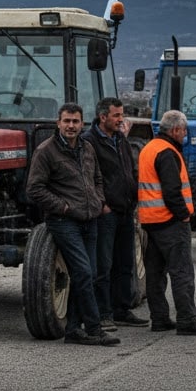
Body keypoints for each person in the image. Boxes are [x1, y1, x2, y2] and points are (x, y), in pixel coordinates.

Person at [26, 103, 120, 346]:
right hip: (64, 221)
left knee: (90, 273)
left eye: (75, 122)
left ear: (82, 124)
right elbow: (35, 189)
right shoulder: (46, 151)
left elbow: (97, 178)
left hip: (90, 220)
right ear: (58, 123)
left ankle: (73, 330)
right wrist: (64, 207)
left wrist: (99, 200)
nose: (71, 126)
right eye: (66, 121)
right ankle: (94, 328)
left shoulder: (87, 148)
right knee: (83, 272)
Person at [137, 111, 196, 336]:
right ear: (175, 130)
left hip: (151, 221)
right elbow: (172, 191)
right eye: (183, 131)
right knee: (182, 273)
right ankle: (187, 320)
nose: (185, 135)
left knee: (155, 274)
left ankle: (160, 318)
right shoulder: (167, 152)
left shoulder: (149, 148)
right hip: (170, 221)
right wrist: (184, 215)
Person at [82, 97, 147, 330]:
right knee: (104, 265)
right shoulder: (88, 142)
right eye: (117, 115)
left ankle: (122, 309)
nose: (121, 120)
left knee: (124, 263)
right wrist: (102, 204)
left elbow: (128, 170)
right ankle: (103, 313)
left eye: (121, 115)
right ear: (103, 117)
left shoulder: (120, 139)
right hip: (106, 212)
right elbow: (88, 177)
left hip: (125, 209)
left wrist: (133, 200)